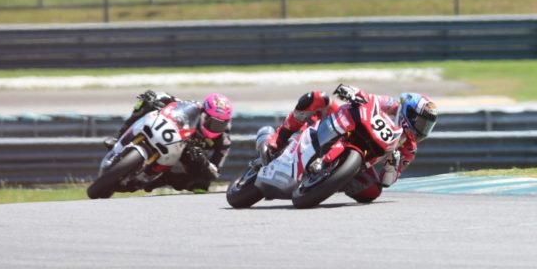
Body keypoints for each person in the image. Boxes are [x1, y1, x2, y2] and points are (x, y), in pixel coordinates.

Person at [266, 83, 438, 203]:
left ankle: (330, 181)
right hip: (346, 124)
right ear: (410, 113)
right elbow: (369, 99)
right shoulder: (391, 105)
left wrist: (391, 166)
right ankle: (279, 138)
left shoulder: (409, 148)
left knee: (372, 192)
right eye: (422, 123)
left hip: (361, 158)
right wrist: (354, 92)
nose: (423, 130)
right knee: (319, 98)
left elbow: (387, 181)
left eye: (428, 126)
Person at [106, 90, 233, 193]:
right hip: (174, 134)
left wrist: (202, 159)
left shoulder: (224, 141)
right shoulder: (193, 106)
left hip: (190, 154)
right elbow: (169, 98)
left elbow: (215, 173)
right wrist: (153, 96)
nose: (213, 127)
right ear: (203, 112)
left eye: (219, 125)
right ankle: (118, 136)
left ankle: (164, 179)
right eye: (210, 121)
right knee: (145, 104)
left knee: (201, 184)